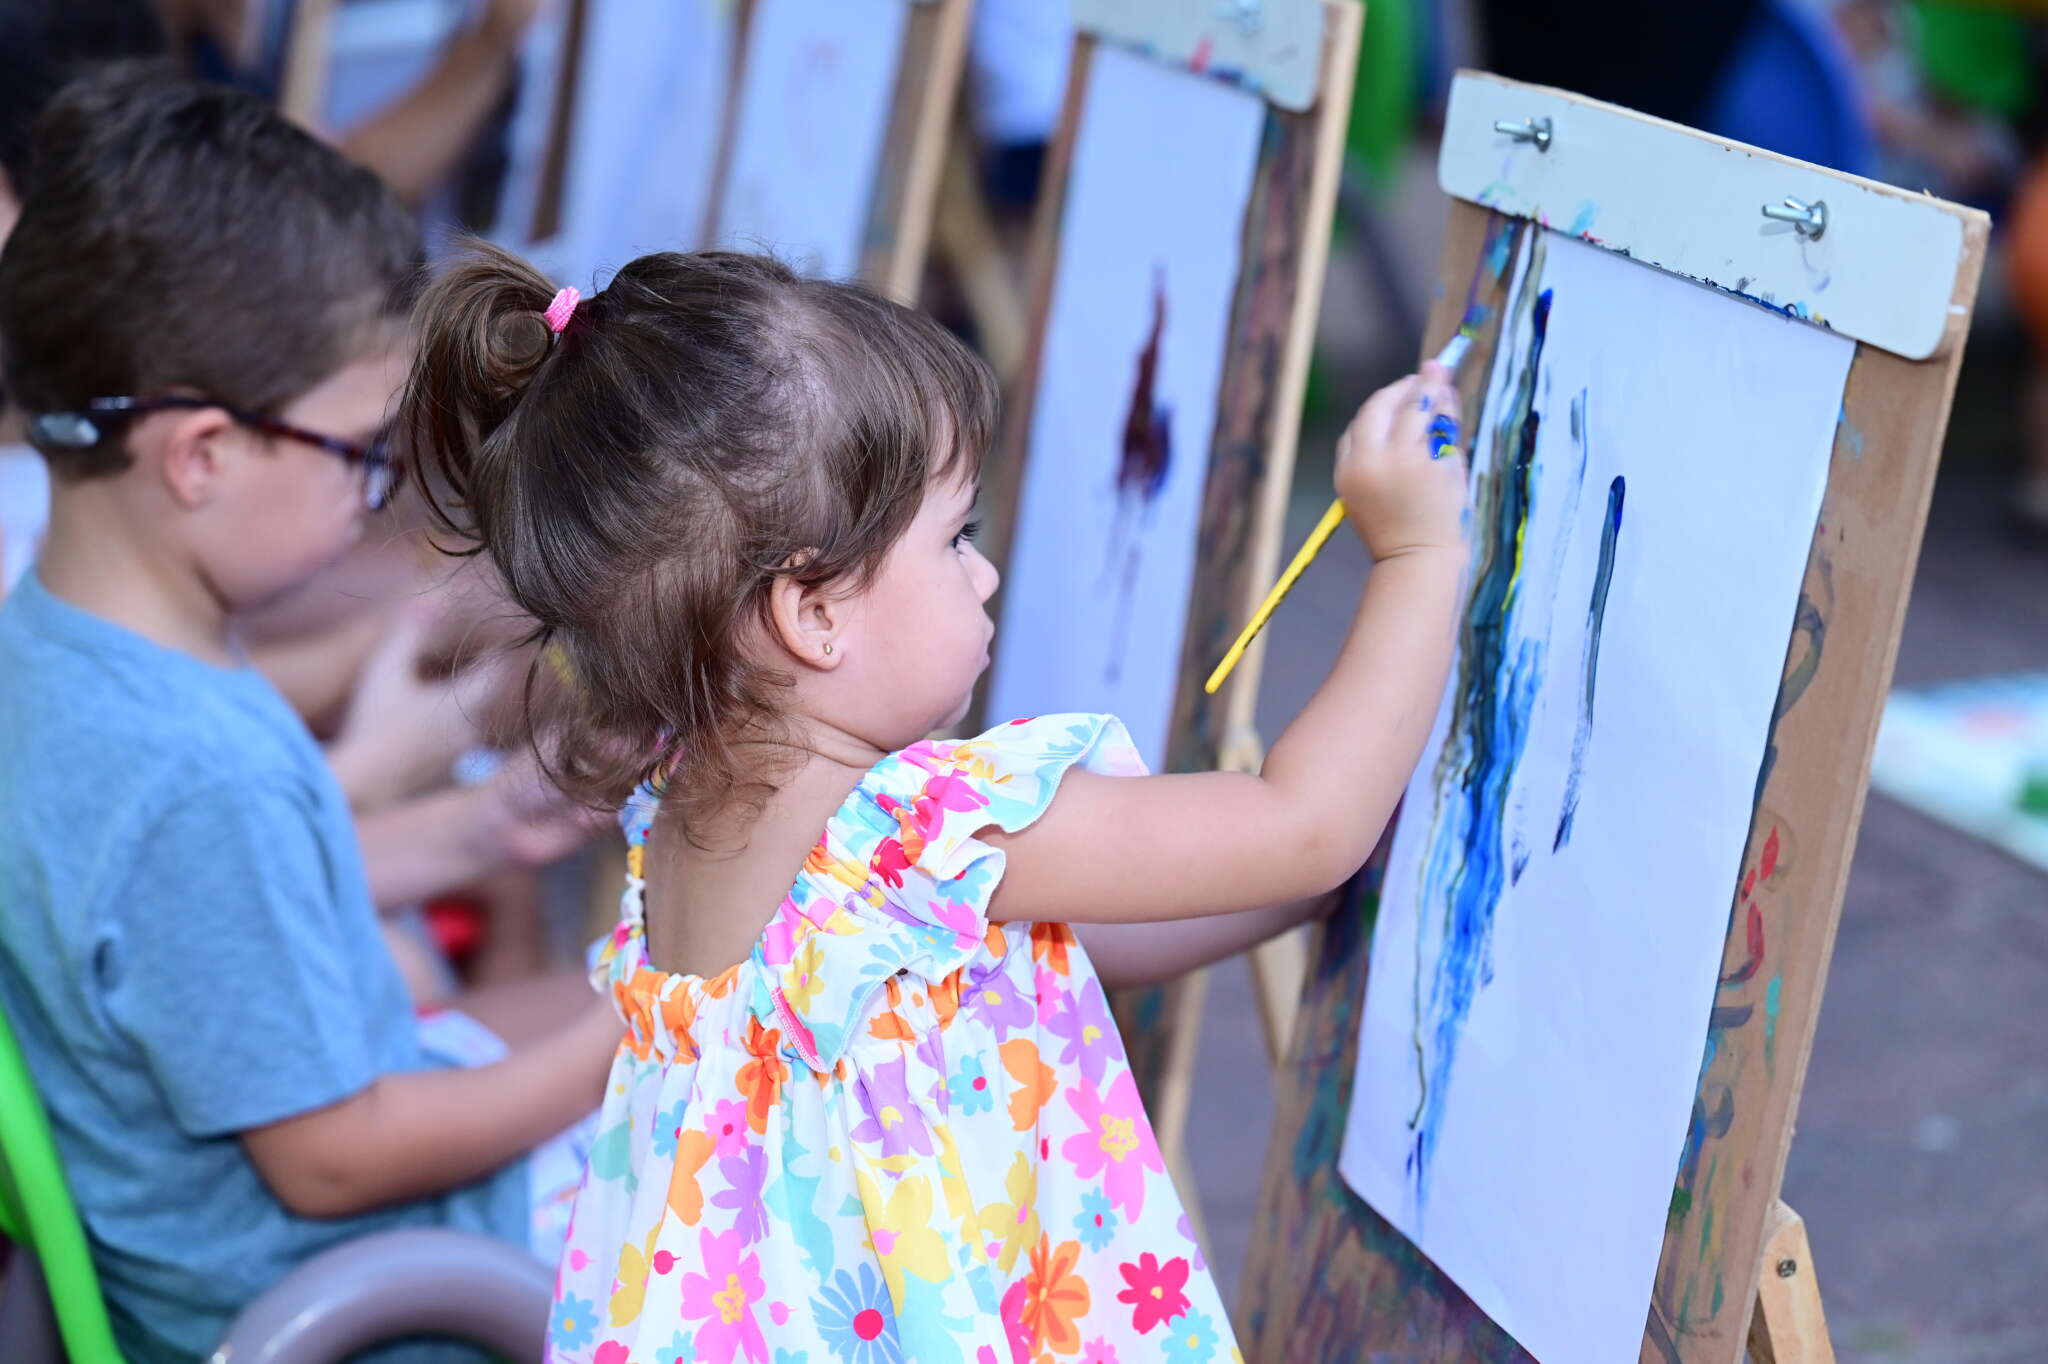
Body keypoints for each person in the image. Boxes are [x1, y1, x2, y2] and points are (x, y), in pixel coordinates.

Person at [398, 241, 1468, 1361]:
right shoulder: (915, 832)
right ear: (811, 615)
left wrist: (1291, 898)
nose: (985, 571)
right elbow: (1302, 826)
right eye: (952, 537)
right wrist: (1417, 549)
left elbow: (1035, 963)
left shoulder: (681, 813)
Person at [0, 64, 616, 1361]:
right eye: (361, 452)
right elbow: (333, 1161)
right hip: (376, 1302)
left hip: (312, 1239)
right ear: (204, 456)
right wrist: (643, 1028)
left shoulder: (50, 652)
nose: (374, 495)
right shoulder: (197, 774)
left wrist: (475, 832)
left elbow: (194, 938)